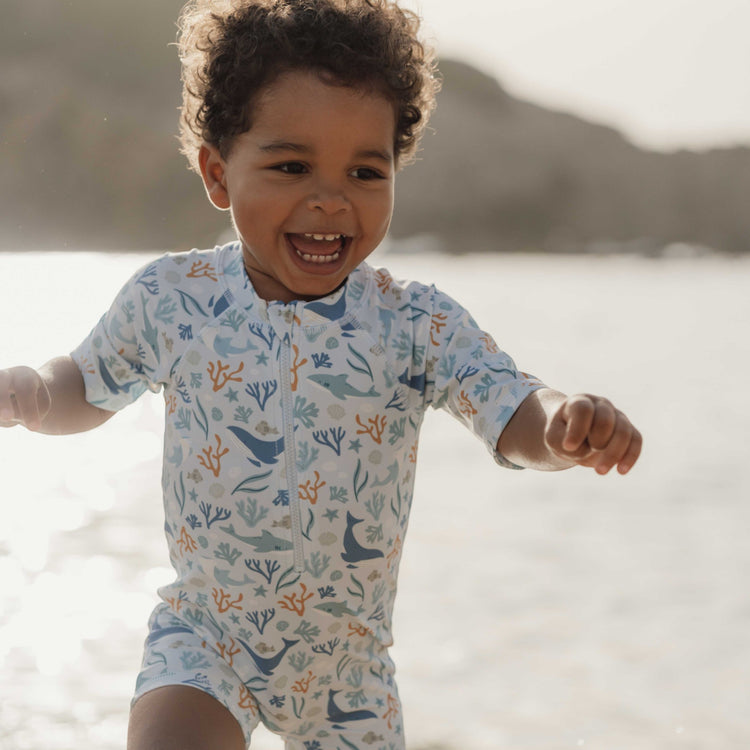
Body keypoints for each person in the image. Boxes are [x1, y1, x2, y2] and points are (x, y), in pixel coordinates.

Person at [0, 1, 642, 748]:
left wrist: (565, 425)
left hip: (349, 673)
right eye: (290, 166)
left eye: (365, 170)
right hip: (208, 639)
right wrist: (41, 393)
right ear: (217, 172)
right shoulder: (174, 301)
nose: (331, 199)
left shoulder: (415, 324)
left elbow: (510, 408)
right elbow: (88, 380)